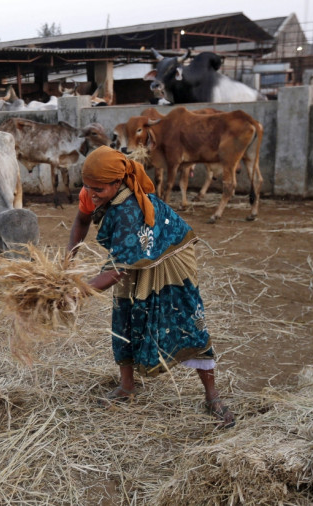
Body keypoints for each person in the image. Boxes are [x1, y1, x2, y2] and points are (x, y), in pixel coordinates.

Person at [74, 145, 235, 429]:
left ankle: (212, 396)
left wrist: (76, 292)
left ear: (117, 182)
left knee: (187, 321)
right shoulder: (93, 191)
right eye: (87, 187)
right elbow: (82, 218)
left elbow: (116, 271)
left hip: (170, 259)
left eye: (98, 188)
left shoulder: (128, 211)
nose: (91, 193)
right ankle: (127, 386)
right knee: (123, 315)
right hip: (133, 257)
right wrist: (67, 257)